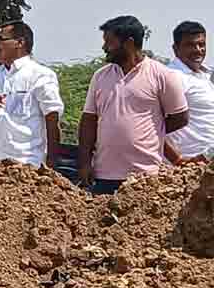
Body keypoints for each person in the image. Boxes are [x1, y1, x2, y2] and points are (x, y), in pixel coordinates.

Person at [78, 15, 189, 195]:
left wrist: (152, 131)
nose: (104, 48)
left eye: (109, 42)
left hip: (145, 177)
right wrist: (83, 164)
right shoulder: (100, 76)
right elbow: (88, 122)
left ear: (129, 43)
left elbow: (180, 118)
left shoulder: (163, 75)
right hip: (104, 175)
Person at [0, 20, 64, 167]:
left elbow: (52, 117)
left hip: (27, 162)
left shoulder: (40, 75)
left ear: (20, 42)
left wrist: (51, 161)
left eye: (1, 40)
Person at [165, 21, 213, 165]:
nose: (198, 50)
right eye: (190, 45)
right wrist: (177, 159)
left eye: (201, 44)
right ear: (176, 49)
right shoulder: (173, 76)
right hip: (191, 165)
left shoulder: (207, 74)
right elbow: (153, 123)